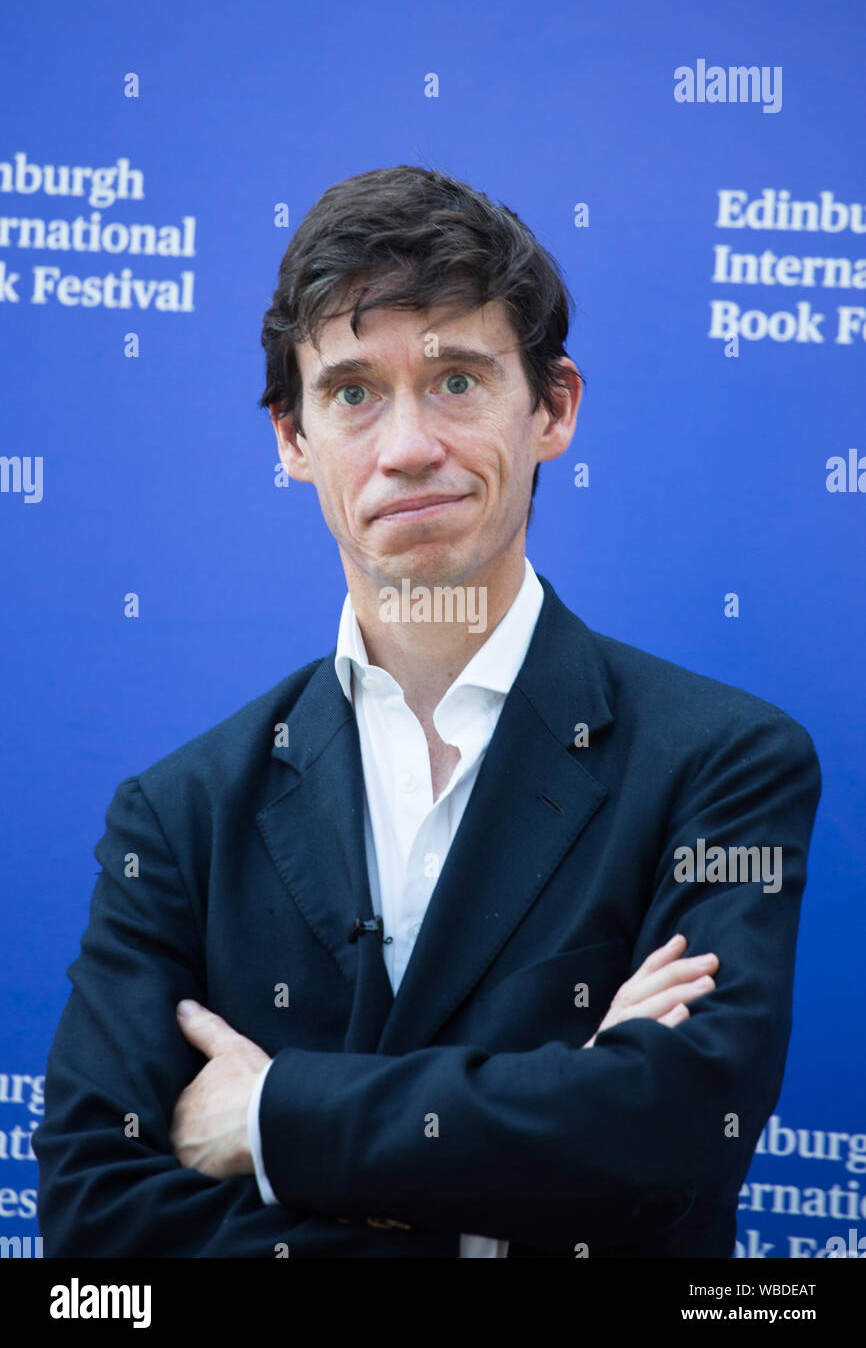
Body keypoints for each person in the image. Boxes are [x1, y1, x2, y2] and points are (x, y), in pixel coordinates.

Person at [33, 165, 821, 1258]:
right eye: (352, 391)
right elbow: (97, 1223)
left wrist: (272, 1118)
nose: (406, 446)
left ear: (551, 407)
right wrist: (491, 1216)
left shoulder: (722, 765)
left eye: (455, 379)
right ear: (291, 439)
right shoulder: (177, 820)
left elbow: (674, 1130)